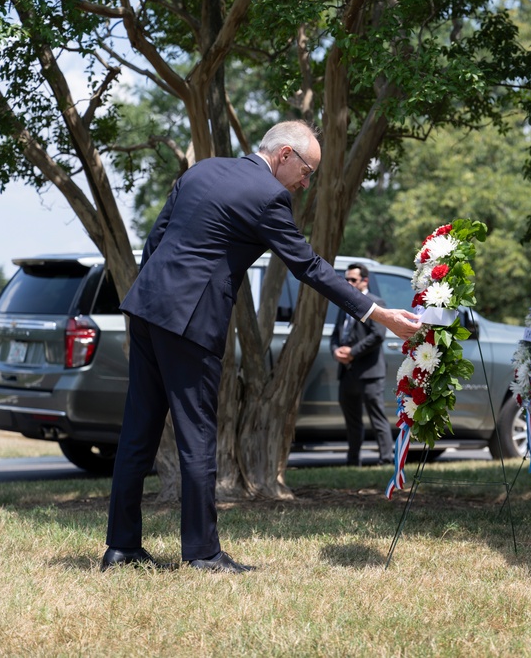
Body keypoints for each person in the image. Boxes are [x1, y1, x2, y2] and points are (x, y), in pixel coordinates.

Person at [101, 120, 419, 574]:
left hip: (148, 309)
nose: (306, 183)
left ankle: (121, 547)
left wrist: (153, 299)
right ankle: (203, 554)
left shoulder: (202, 170)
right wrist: (379, 314)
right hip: (191, 320)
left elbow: (156, 239)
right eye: (306, 171)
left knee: (138, 431)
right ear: (284, 155)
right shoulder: (269, 196)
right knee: (197, 438)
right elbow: (308, 266)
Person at [330, 263, 394, 467]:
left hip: (370, 372)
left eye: (353, 280)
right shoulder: (344, 304)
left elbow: (378, 335)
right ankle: (352, 461)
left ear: (364, 281)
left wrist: (352, 352)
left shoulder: (376, 303)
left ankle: (386, 460)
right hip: (347, 373)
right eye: (346, 279)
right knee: (352, 421)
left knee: (378, 419)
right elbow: (336, 335)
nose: (348, 283)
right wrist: (336, 351)